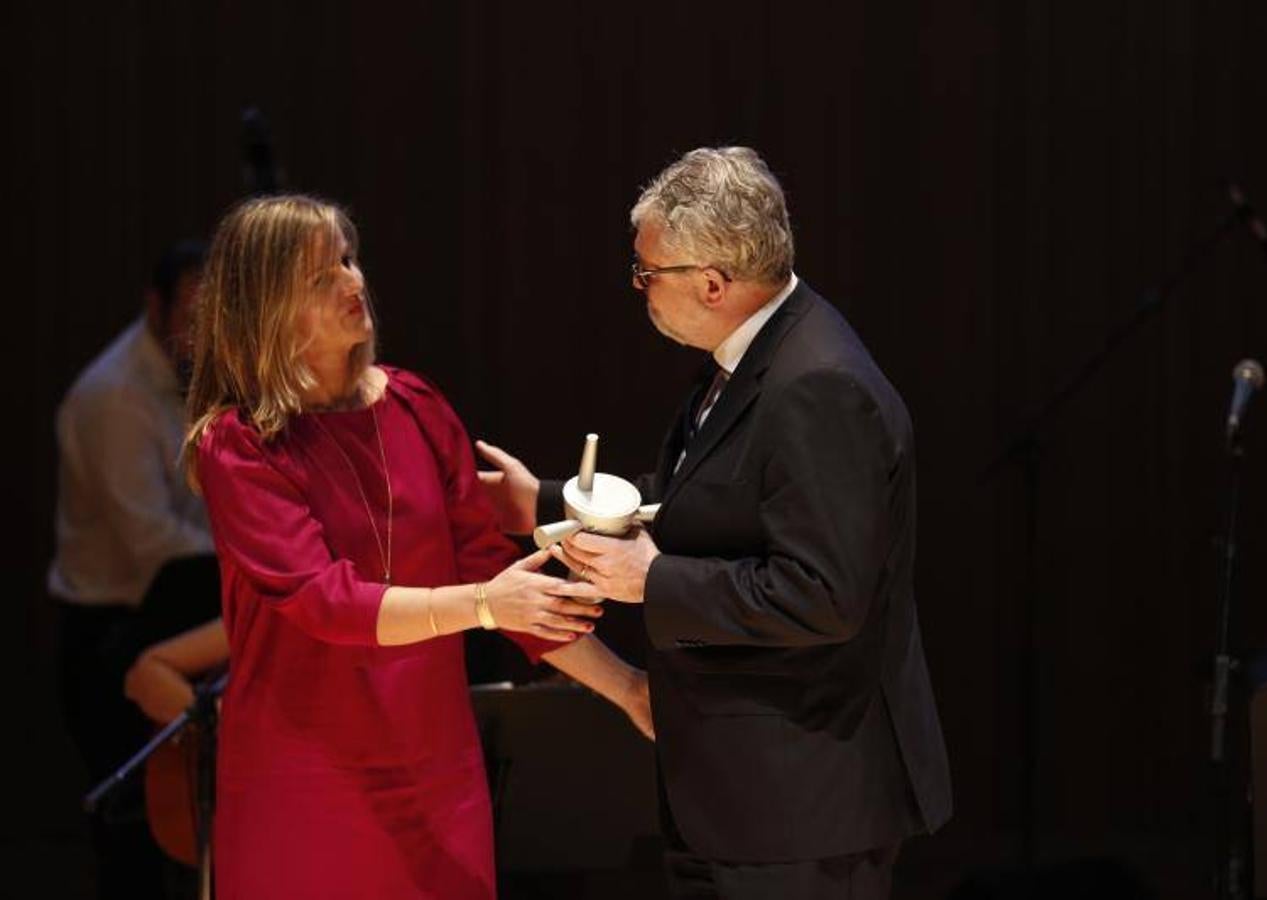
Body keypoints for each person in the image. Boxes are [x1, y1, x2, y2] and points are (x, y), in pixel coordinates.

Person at [477, 146, 952, 899]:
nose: (638, 289)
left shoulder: (817, 385)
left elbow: (823, 595)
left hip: (803, 802)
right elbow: (704, 499)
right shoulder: (754, 348)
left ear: (711, 282)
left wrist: (653, 580)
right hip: (743, 793)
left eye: (646, 273)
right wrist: (540, 499)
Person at [182, 194, 651, 900]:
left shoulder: (414, 404)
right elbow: (323, 601)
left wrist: (629, 689)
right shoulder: (238, 445)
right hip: (303, 781)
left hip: (435, 770)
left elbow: (498, 577)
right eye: (321, 277)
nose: (354, 282)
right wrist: (486, 605)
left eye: (348, 259)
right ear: (265, 307)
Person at [49, 239, 218, 899]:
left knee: (186, 830)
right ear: (155, 306)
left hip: (177, 622)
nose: (203, 332)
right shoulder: (111, 397)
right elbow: (154, 545)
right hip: (111, 632)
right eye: (191, 313)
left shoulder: (200, 376)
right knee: (131, 845)